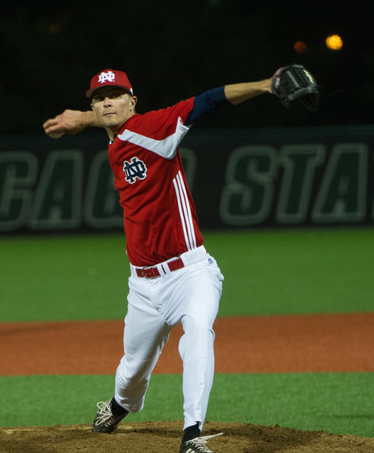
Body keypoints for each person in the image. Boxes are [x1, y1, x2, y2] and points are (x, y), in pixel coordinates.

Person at [42, 68, 276, 453]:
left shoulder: (154, 127)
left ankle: (192, 434)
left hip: (191, 273)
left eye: (116, 95)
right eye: (99, 97)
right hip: (143, 285)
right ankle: (119, 405)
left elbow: (209, 101)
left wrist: (265, 86)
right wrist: (79, 120)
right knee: (133, 368)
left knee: (199, 331)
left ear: (133, 102)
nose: (106, 102)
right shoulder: (116, 140)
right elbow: (105, 119)